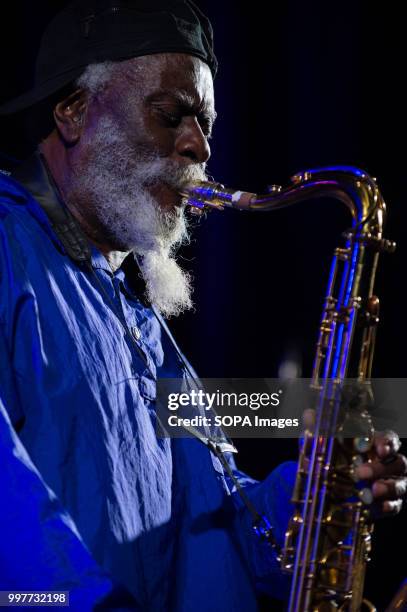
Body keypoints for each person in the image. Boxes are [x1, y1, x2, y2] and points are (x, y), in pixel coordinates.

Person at [0, 1, 405, 610]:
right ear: (73, 111)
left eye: (206, 125)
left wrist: (324, 492)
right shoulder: (10, 247)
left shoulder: (136, 318)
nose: (199, 147)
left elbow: (214, 522)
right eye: (171, 116)